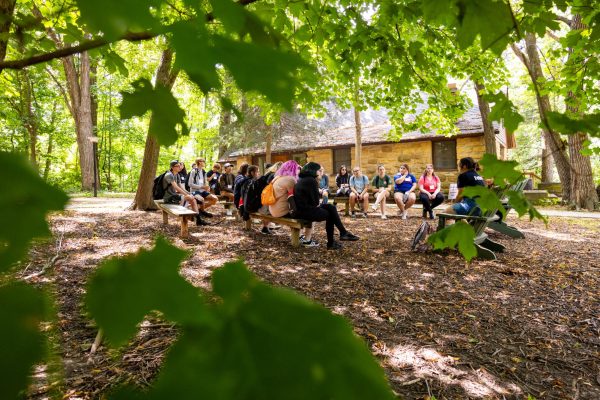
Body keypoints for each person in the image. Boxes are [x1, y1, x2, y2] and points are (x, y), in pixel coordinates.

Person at [294, 162, 359, 250]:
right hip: (304, 212)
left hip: (302, 210)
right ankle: (333, 241)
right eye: (319, 171)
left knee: (331, 207)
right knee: (330, 214)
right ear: (313, 171)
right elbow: (315, 203)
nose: (321, 173)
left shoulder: (304, 179)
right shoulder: (311, 181)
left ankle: (342, 234)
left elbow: (313, 202)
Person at [269, 160, 317, 246]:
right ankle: (307, 240)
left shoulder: (278, 177)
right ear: (293, 169)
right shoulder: (291, 179)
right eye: (298, 168)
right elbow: (296, 197)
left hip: (273, 210)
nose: (299, 171)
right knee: (311, 214)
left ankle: (300, 236)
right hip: (281, 211)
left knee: (297, 210)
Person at [162, 160, 207, 226]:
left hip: (174, 196)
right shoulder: (169, 175)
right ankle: (184, 215)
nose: (179, 167)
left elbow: (182, 188)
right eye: (177, 166)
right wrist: (187, 195)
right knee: (189, 198)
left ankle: (198, 220)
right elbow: (176, 187)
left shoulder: (177, 175)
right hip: (168, 198)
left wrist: (189, 193)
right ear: (172, 167)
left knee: (193, 199)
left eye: (179, 165)